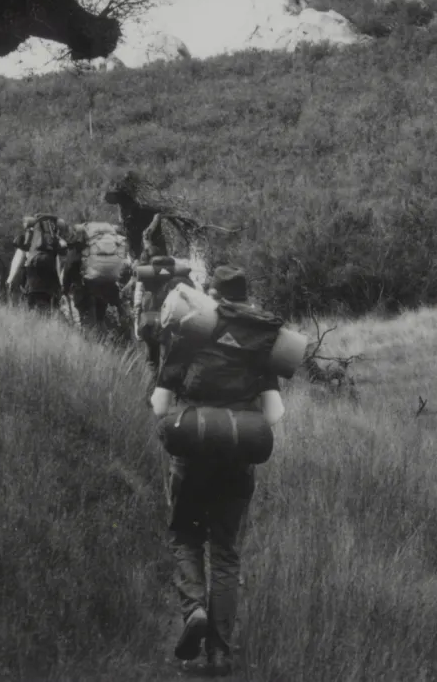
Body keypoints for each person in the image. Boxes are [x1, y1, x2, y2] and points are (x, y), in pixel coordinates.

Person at [149, 265, 286, 675]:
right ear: (246, 298)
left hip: (192, 452)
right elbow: (276, 413)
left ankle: (194, 608)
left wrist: (188, 414)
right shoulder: (261, 340)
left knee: (186, 536)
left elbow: (158, 405)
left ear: (211, 295)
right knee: (226, 553)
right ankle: (220, 653)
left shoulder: (190, 333)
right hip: (239, 457)